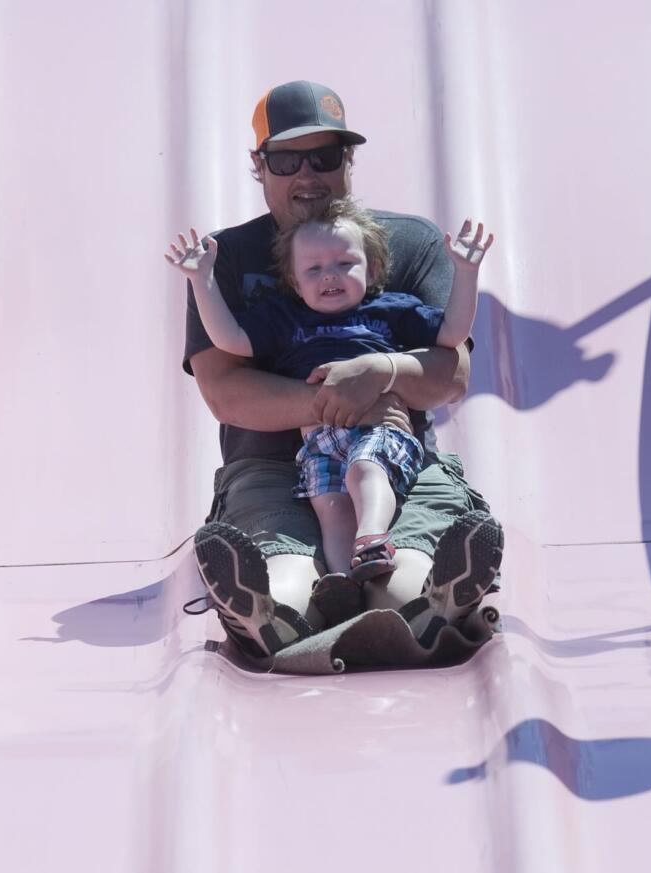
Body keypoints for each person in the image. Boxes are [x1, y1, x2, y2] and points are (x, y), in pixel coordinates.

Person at [181, 80, 503, 659]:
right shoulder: (225, 260)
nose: (308, 174)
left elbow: (450, 373)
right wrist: (340, 398)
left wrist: (379, 368)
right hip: (273, 467)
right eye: (286, 159)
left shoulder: (409, 243)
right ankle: (269, 615)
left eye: (325, 156)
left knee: (399, 584)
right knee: (291, 584)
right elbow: (226, 391)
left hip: (395, 454)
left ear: (348, 162)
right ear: (259, 167)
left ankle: (431, 603)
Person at [167, 197, 492, 582]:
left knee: (365, 470)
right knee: (331, 508)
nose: (329, 276)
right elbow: (230, 338)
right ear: (294, 282)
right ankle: (344, 582)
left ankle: (373, 537)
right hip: (319, 438)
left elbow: (452, 335)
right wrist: (201, 280)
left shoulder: (392, 310)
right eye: (314, 269)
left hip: (381, 429)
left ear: (372, 271)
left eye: (345, 264)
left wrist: (467, 272)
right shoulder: (284, 319)